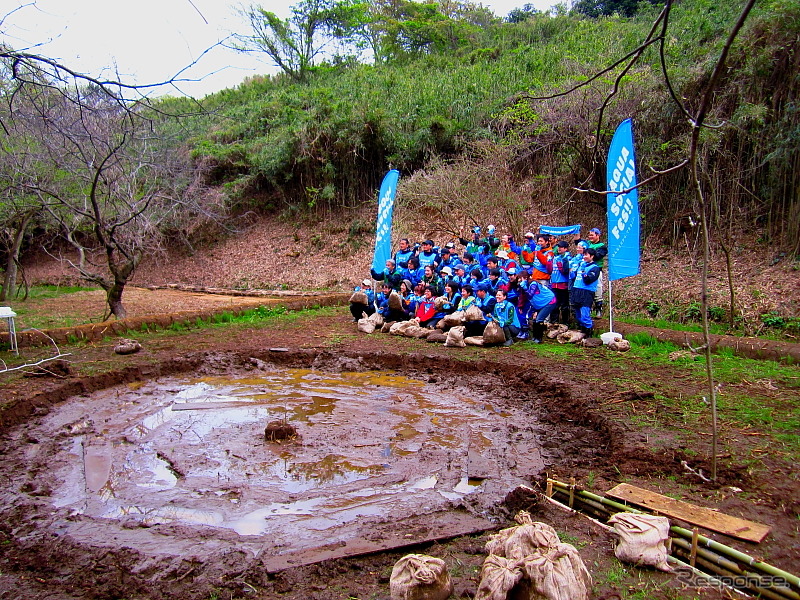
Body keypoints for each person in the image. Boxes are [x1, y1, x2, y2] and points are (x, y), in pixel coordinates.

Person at [572, 247, 602, 337]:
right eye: (583, 255)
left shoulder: (595, 268)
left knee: (585, 314)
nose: (584, 257)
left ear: (592, 256)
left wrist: (584, 272)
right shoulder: (581, 265)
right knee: (577, 314)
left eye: (586, 255)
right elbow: (573, 277)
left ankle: (589, 334)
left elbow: (588, 280)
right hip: (577, 290)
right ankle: (582, 332)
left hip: (587, 292)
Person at [587, 227, 608, 317]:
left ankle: (599, 309)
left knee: (598, 289)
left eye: (592, 235)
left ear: (598, 235)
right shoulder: (588, 244)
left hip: (597, 270)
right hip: (586, 269)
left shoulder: (602, 246)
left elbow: (597, 256)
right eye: (589, 235)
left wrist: (589, 254)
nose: (590, 237)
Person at [550, 241, 572, 325]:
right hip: (554, 283)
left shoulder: (568, 258)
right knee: (554, 304)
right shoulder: (555, 258)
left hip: (563, 284)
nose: (559, 248)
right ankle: (554, 322)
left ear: (565, 249)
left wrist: (561, 265)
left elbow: (565, 271)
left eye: (561, 247)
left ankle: (565, 322)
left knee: (564, 305)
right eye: (558, 247)